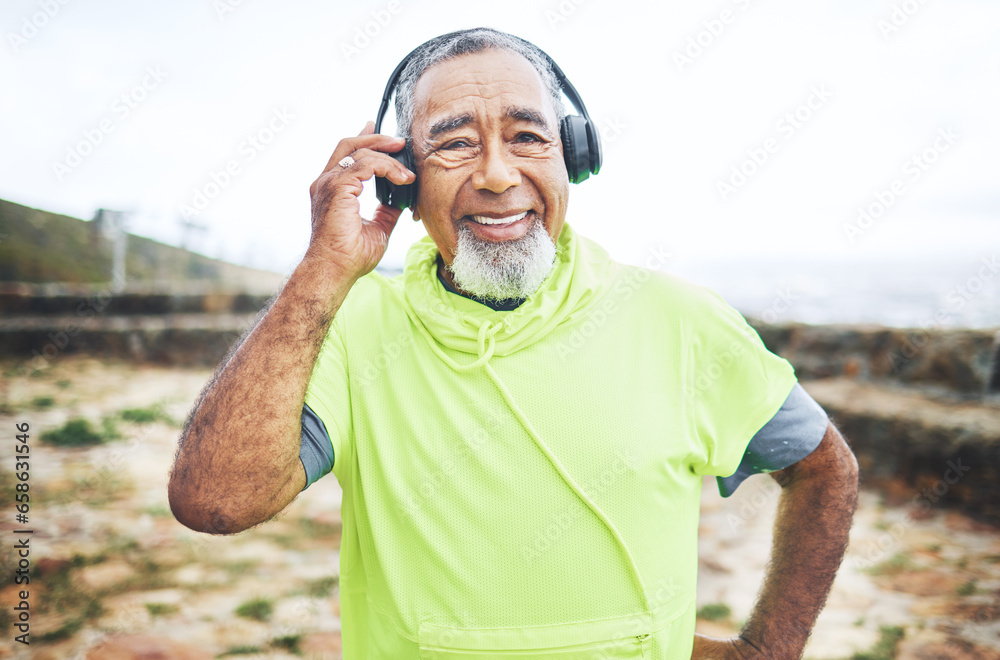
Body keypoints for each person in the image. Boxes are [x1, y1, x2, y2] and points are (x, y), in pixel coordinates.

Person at [168, 27, 859, 660]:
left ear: (574, 157)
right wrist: (322, 272)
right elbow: (214, 502)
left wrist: (770, 649)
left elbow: (825, 469)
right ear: (400, 175)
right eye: (456, 142)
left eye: (528, 138)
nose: (498, 175)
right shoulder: (350, 325)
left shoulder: (680, 320)